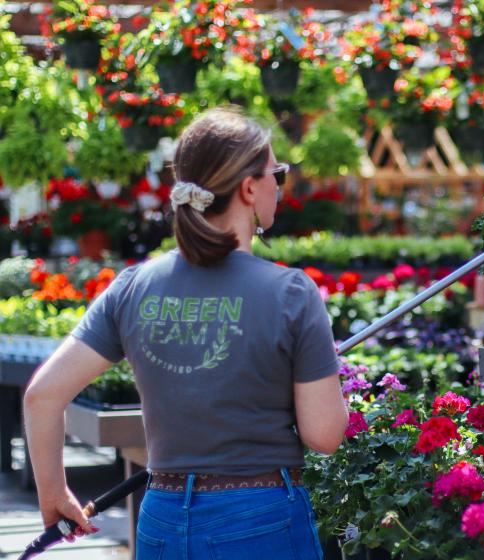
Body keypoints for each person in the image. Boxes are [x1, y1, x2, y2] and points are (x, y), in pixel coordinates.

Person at [24, 106, 348, 559]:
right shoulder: (290, 293)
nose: (280, 182)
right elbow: (324, 434)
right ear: (250, 187)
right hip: (260, 521)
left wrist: (54, 494)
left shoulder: (133, 287)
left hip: (162, 520)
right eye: (278, 172)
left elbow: (42, 395)